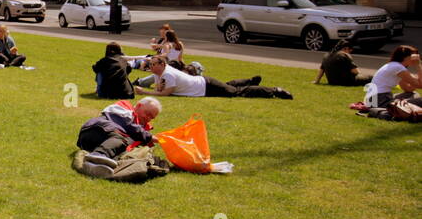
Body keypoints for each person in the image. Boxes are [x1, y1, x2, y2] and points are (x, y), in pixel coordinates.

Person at [136, 56, 291, 99]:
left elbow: (164, 93)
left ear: (162, 64)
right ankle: (250, 80)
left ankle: (274, 91)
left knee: (236, 92)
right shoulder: (159, 73)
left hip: (205, 86)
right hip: (204, 86)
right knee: (229, 85)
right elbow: (159, 88)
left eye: (153, 64)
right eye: (150, 65)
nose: (151, 67)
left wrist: (144, 92)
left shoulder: (168, 73)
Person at [76, 98, 160, 163]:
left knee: (125, 146)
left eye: (151, 117)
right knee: (121, 138)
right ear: (139, 106)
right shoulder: (124, 107)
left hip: (102, 145)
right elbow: (127, 125)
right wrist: (149, 137)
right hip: (93, 132)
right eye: (147, 113)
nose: (148, 118)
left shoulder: (143, 132)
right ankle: (98, 155)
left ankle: (100, 161)